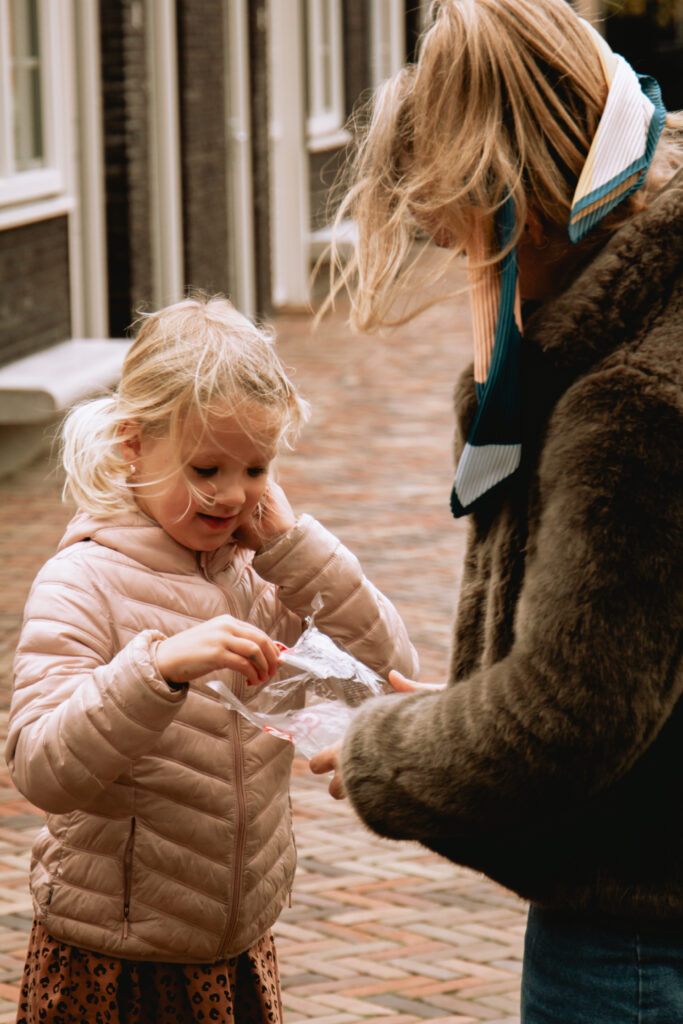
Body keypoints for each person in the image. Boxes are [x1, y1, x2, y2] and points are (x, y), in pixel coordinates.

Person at [310, 1, 683, 1021]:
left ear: (523, 203)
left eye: (464, 237)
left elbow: (567, 715)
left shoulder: (630, 405)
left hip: (631, 931)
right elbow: (622, 645)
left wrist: (382, 753)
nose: (462, 267)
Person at [6, 294, 418, 1024]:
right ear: (133, 443)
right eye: (206, 469)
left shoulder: (261, 570)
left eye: (256, 468)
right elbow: (40, 768)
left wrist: (296, 549)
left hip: (237, 947)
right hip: (114, 958)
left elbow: (391, 667)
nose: (232, 496)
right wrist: (156, 670)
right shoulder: (83, 580)